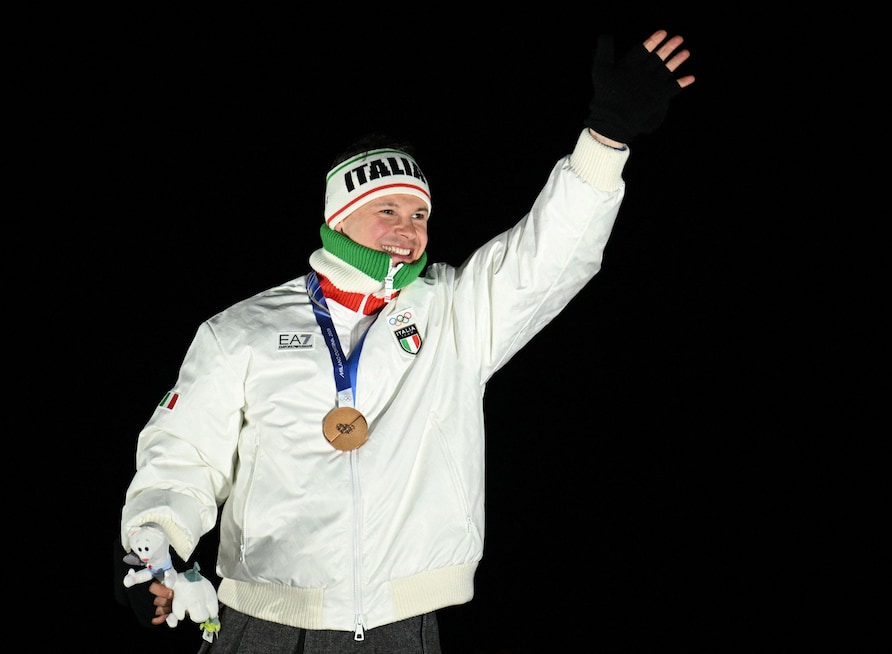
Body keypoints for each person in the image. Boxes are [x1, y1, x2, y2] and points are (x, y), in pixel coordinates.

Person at [116, 29, 695, 653]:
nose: (407, 230)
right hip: (264, 622)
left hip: (401, 627)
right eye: (385, 211)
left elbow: (547, 256)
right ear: (338, 219)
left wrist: (606, 138)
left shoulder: (452, 311)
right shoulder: (241, 331)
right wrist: (154, 546)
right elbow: (185, 455)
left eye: (418, 214)